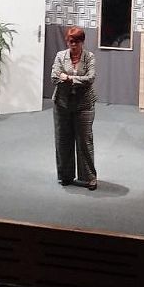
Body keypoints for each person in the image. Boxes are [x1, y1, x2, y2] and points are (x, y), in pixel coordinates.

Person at [50, 26, 98, 190]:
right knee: (63, 140)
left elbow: (90, 78)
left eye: (76, 42)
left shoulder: (89, 57)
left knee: (85, 141)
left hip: (84, 104)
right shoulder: (60, 56)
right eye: (70, 42)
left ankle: (89, 177)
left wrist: (69, 78)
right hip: (62, 103)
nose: (73, 45)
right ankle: (66, 175)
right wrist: (72, 79)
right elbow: (54, 76)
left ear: (82, 42)